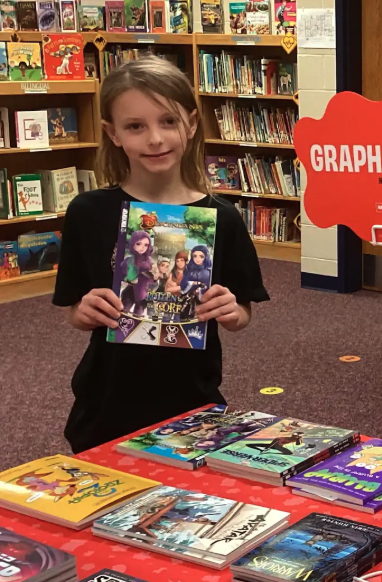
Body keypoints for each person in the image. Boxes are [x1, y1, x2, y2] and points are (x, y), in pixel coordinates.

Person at [53, 58, 269, 454]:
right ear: (112, 133)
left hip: (193, 403)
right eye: (136, 126)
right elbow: (74, 309)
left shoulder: (223, 218)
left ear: (190, 124)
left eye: (168, 121)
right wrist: (83, 311)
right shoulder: (89, 212)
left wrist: (232, 311)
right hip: (107, 404)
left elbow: (242, 311)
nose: (154, 138)